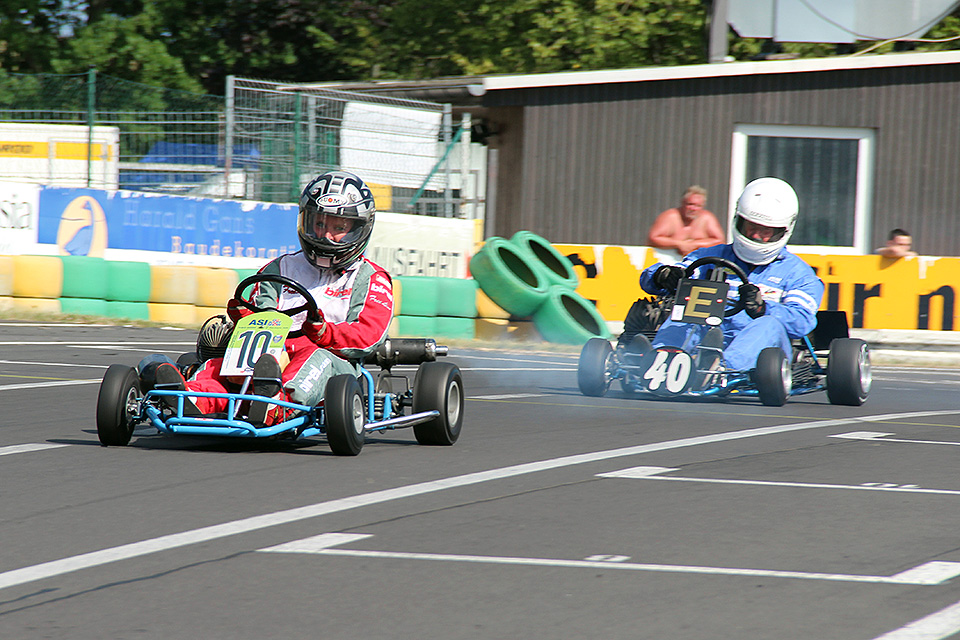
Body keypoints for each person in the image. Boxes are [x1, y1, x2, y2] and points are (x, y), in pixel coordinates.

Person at [151, 170, 393, 425]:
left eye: (339, 228)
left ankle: (277, 406)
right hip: (269, 355)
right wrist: (247, 318)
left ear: (359, 229)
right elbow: (262, 314)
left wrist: (324, 333)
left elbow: (368, 336)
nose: (326, 235)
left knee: (314, 358)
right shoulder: (280, 269)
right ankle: (191, 398)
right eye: (319, 224)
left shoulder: (370, 278)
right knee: (222, 364)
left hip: (333, 364)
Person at [631, 177, 824, 376]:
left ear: (783, 230)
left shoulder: (799, 274)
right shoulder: (709, 256)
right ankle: (664, 358)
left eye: (765, 230)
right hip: (707, 334)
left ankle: (722, 368)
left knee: (770, 323)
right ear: (739, 220)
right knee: (688, 307)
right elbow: (650, 281)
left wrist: (763, 307)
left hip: (763, 352)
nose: (757, 235)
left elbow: (802, 322)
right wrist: (663, 275)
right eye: (751, 226)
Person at [646, 185, 726, 258]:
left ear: (703, 206)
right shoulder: (670, 216)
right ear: (683, 203)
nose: (693, 209)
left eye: (698, 206)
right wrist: (679, 244)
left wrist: (695, 244)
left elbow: (720, 241)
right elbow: (653, 238)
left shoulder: (707, 218)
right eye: (690, 204)